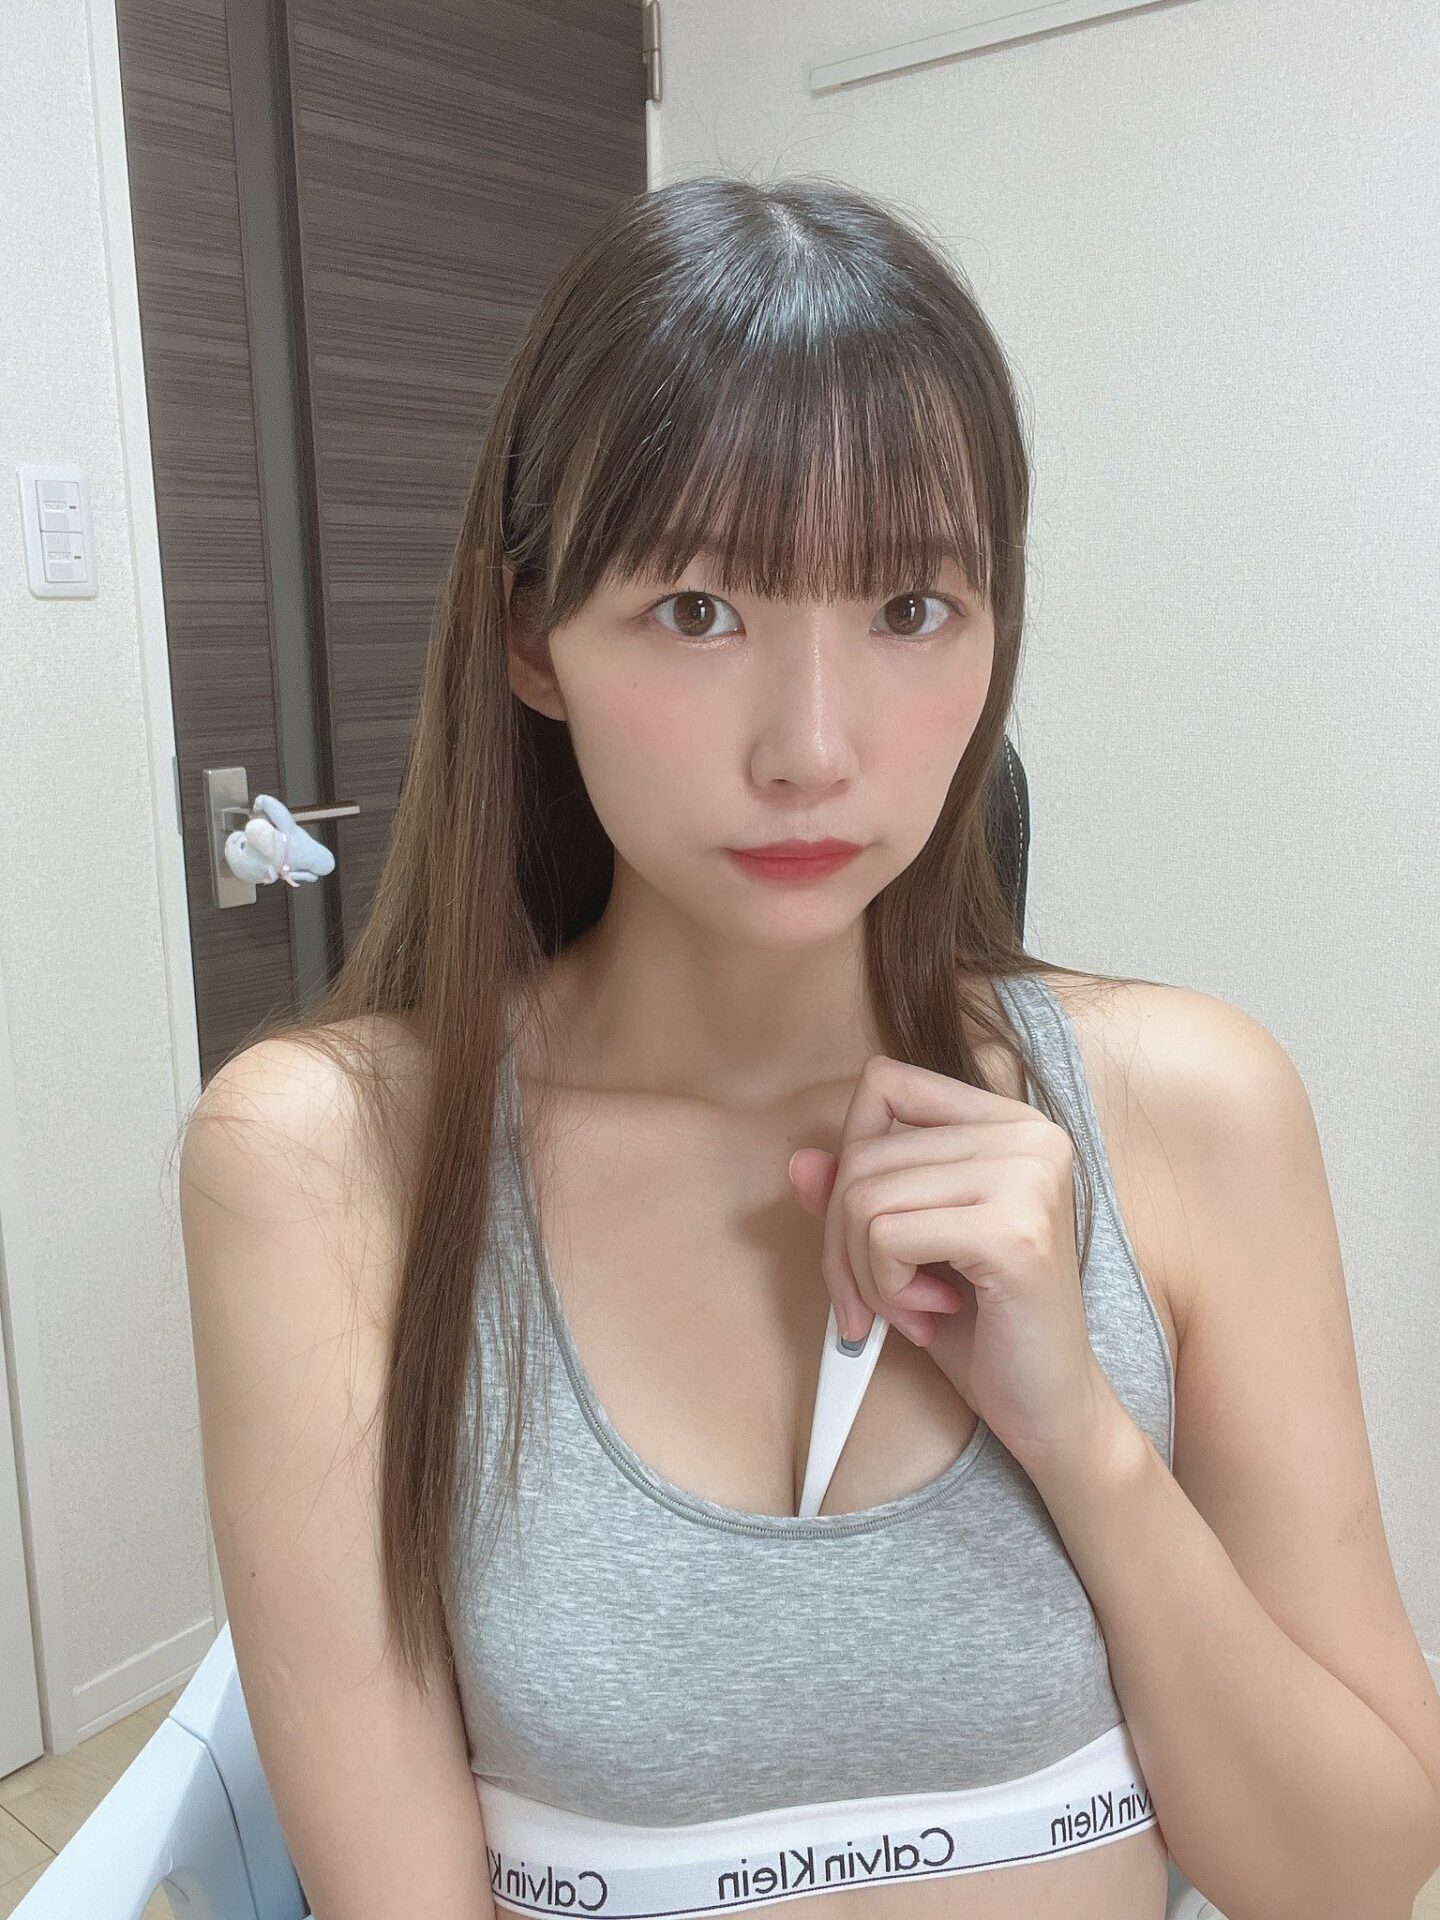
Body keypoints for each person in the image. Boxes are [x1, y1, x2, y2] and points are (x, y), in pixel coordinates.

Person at [178, 173, 1440, 1920]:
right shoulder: (334, 1160)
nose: (815, 749)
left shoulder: (1185, 1108)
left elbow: (1351, 1874)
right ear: (533, 635)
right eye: (701, 609)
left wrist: (1082, 1437)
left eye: (910, 609)